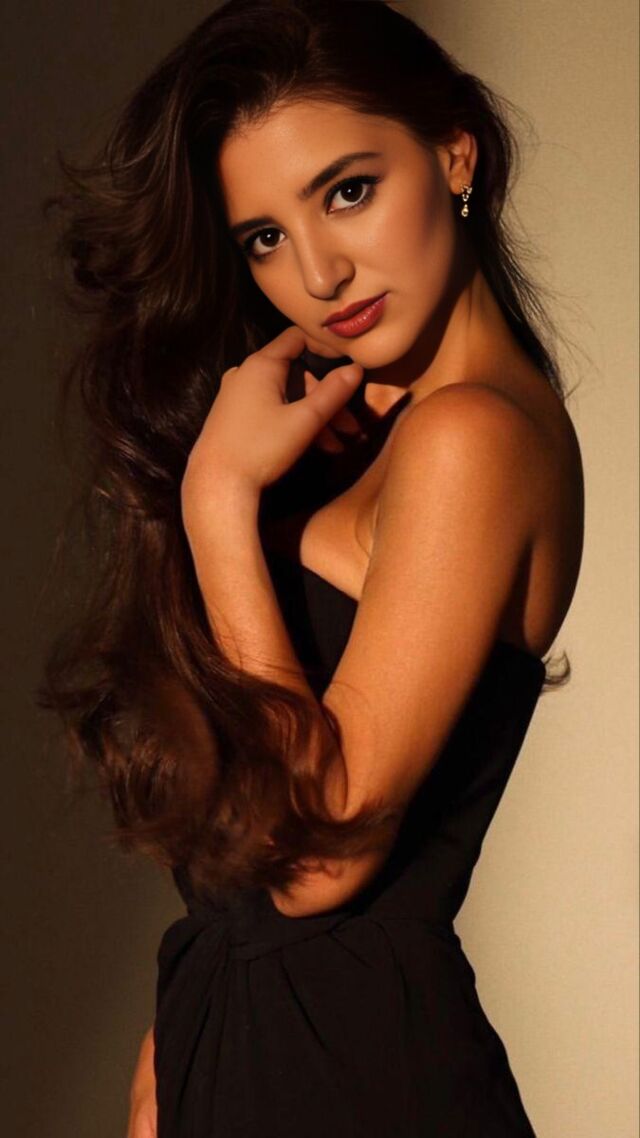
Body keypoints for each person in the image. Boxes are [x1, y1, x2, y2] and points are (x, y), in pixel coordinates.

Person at [38, 1, 584, 1135]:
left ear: (455, 154)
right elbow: (245, 846)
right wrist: (171, 1048)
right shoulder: (360, 431)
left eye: (347, 190)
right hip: (250, 1046)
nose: (320, 272)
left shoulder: (473, 437)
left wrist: (219, 503)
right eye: (264, 239)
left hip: (354, 1075)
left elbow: (325, 849)